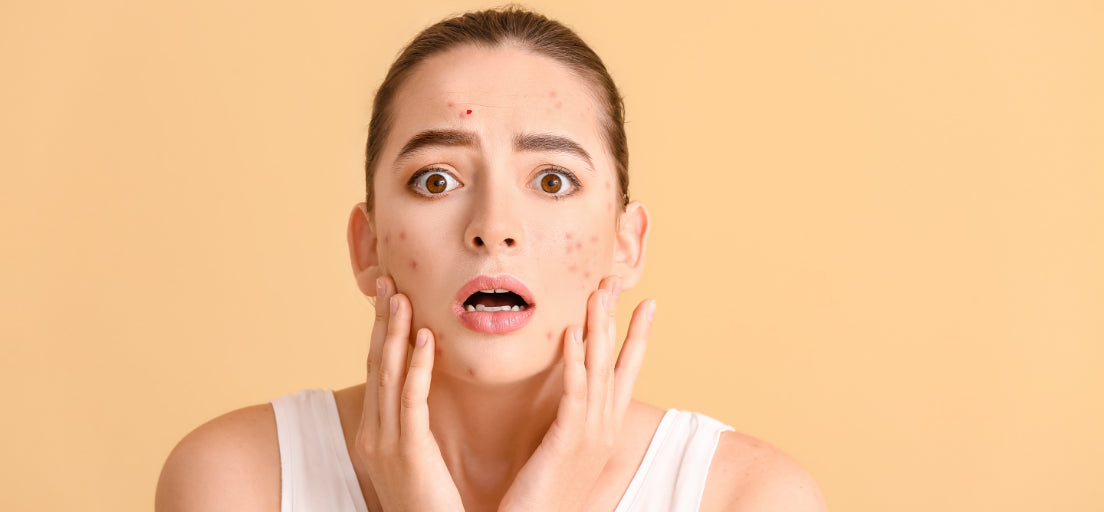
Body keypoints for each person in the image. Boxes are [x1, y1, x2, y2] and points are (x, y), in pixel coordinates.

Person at [156, 7, 827, 511]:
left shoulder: (748, 497)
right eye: (437, 180)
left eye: (552, 180)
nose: (493, 229)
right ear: (367, 244)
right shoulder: (237, 480)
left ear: (626, 244)